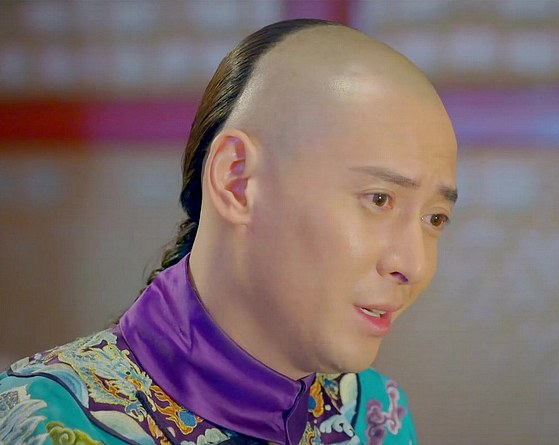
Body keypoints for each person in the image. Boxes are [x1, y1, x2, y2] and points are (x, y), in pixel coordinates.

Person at [0, 18, 458, 445]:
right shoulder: (43, 420)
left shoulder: (376, 416)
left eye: (434, 218)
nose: (414, 265)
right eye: (379, 199)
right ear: (237, 180)